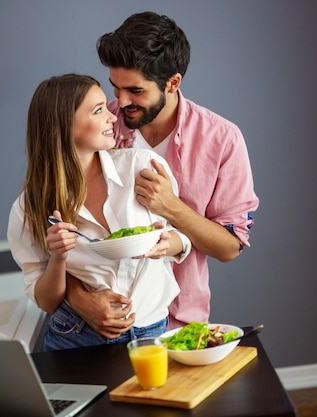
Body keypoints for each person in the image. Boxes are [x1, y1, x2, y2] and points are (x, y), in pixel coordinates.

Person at [66, 11, 260, 336]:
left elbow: (229, 247)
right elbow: (64, 228)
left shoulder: (222, 139)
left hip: (179, 321)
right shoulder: (98, 126)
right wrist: (78, 298)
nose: (121, 102)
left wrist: (170, 206)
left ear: (173, 83)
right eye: (115, 88)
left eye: (136, 91)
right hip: (97, 325)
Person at [7, 74, 192, 351]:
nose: (113, 117)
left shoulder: (143, 167)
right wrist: (58, 257)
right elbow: (46, 301)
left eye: (106, 107)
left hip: (152, 331)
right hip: (76, 337)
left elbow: (182, 235)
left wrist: (167, 244)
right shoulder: (29, 207)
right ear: (64, 124)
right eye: (98, 110)